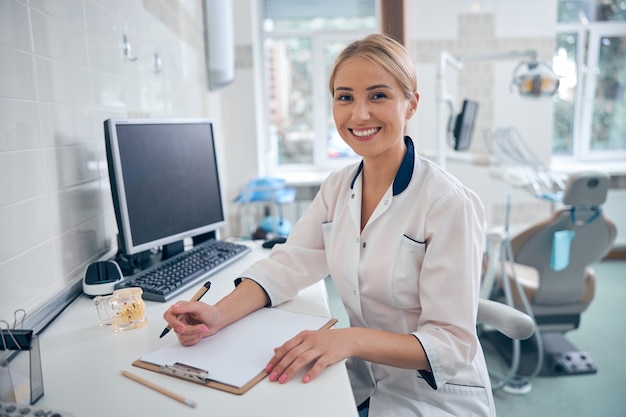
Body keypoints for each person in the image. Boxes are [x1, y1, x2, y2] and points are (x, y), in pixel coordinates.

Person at [163, 33, 496, 417]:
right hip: (361, 382)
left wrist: (350, 340)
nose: (359, 115)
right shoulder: (338, 187)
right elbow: (287, 265)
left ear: (412, 104)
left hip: (432, 397)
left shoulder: (448, 203)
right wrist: (217, 315)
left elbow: (452, 345)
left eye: (378, 95)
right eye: (345, 97)